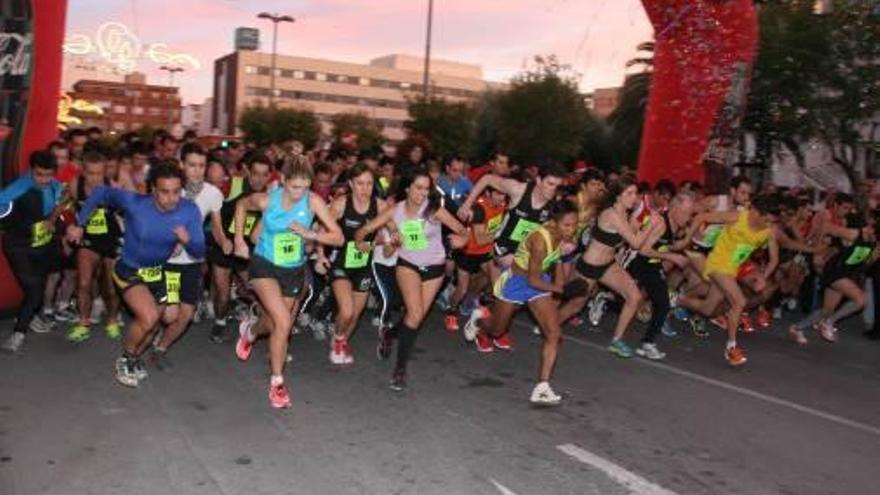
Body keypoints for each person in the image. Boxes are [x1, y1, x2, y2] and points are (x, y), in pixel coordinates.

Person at [67, 161, 205, 387]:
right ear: (152, 190)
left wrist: (186, 239)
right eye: (164, 192)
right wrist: (80, 223)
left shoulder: (189, 210)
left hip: (159, 272)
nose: (172, 198)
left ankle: (135, 356)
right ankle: (126, 357)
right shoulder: (134, 203)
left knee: (154, 325)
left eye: (176, 191)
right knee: (148, 317)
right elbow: (100, 192)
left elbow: (198, 251)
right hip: (129, 269)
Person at [233, 157, 344, 409]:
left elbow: (338, 237)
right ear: (283, 181)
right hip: (264, 265)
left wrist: (311, 234)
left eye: (304, 187)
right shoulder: (267, 200)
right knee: (284, 322)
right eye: (294, 187)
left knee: (273, 324)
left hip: (292, 270)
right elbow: (241, 205)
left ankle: (249, 332)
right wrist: (240, 240)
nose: (299, 193)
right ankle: (277, 383)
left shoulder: (313, 201)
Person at [354, 166, 468, 391]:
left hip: (434, 268)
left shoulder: (434, 209)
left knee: (414, 319)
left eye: (427, 188)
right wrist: (370, 244)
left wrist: (462, 241)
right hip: (408, 266)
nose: (423, 193)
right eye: (418, 188)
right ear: (407, 188)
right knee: (415, 315)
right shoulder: (393, 211)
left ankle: (389, 333)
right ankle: (400, 369)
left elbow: (461, 230)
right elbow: (360, 234)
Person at [465, 200, 581, 405]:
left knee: (554, 333)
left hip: (539, 283)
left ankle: (542, 388)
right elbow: (532, 280)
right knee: (496, 331)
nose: (571, 230)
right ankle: (478, 320)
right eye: (567, 225)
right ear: (554, 223)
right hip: (517, 283)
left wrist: (561, 289)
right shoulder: (539, 240)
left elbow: (555, 264)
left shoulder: (563, 237)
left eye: (575, 224)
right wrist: (562, 290)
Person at [557, 176, 659, 358]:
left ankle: (617, 341)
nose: (634, 197)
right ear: (618, 196)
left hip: (608, 266)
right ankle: (549, 326)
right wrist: (650, 225)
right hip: (589, 266)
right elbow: (635, 243)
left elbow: (624, 239)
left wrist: (640, 224)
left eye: (635, 193)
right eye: (629, 193)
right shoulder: (611, 214)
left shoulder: (624, 214)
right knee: (575, 305)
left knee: (634, 297)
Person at [677, 194, 780, 366]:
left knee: (708, 310)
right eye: (767, 220)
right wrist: (687, 239)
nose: (769, 225)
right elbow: (702, 216)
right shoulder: (737, 217)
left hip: (732, 269)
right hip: (717, 263)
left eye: (772, 221)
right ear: (757, 213)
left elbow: (774, 259)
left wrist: (764, 275)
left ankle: (676, 299)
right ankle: (731, 348)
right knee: (739, 301)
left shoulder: (769, 231)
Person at [150, 146, 225, 367]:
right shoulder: (172, 190)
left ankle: (160, 347)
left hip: (192, 263)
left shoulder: (213, 193)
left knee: (186, 315)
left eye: (201, 165)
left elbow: (217, 228)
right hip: (169, 262)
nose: (197, 170)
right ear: (182, 165)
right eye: (192, 165)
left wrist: (230, 243)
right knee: (170, 314)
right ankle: (145, 339)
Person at [321, 163, 387, 365]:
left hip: (364, 265)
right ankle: (339, 336)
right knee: (347, 310)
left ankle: (340, 340)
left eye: (368, 184)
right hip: (341, 262)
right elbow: (323, 231)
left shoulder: (380, 206)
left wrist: (393, 238)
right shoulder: (341, 204)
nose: (364, 188)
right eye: (359, 184)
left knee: (356, 314)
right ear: (351, 183)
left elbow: (393, 229)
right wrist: (319, 255)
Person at [0, 151, 65, 352]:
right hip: (17, 245)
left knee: (39, 285)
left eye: (49, 175)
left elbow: (59, 204)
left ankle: (32, 317)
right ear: (30, 171)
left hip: (42, 244)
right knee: (35, 289)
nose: (44, 180)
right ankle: (18, 334)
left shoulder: (56, 185)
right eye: (39, 175)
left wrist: (52, 221)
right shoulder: (15, 190)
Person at [205, 153, 271, 343]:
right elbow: (214, 207)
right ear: (248, 172)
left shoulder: (269, 197)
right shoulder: (232, 186)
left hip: (246, 251)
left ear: (268, 176)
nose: (259, 179)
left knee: (257, 290)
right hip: (223, 246)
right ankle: (220, 322)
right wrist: (222, 239)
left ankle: (265, 325)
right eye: (256, 173)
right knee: (223, 293)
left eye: (264, 174)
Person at [789, 213, 877, 344]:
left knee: (827, 310)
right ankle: (828, 323)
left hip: (845, 274)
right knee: (860, 299)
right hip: (834, 272)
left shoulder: (875, 242)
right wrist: (817, 253)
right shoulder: (854, 234)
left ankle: (797, 328)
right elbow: (826, 227)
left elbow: (867, 261)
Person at [65, 152, 124, 343]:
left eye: (99, 173)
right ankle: (83, 323)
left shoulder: (113, 188)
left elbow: (126, 214)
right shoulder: (76, 185)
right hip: (88, 239)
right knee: (83, 282)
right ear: (83, 171)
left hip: (110, 239)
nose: (95, 178)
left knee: (111, 287)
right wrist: (67, 230)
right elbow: (66, 207)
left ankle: (113, 320)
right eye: (91, 173)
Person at [448, 186, 507, 334]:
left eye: (504, 194)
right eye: (498, 194)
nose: (502, 198)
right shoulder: (479, 209)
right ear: (488, 193)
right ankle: (452, 310)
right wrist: (501, 234)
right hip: (468, 251)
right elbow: (480, 239)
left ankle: (480, 311)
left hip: (486, 252)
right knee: (462, 290)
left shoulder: (503, 206)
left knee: (497, 286)